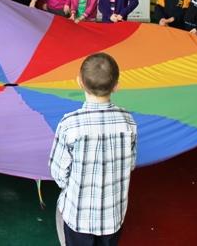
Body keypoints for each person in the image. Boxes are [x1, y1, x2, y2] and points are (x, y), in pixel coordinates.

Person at [49, 53, 137, 246]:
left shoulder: (70, 124)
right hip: (113, 217)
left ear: (79, 82)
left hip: (79, 217)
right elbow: (130, 164)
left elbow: (59, 173)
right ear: (116, 85)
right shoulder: (128, 121)